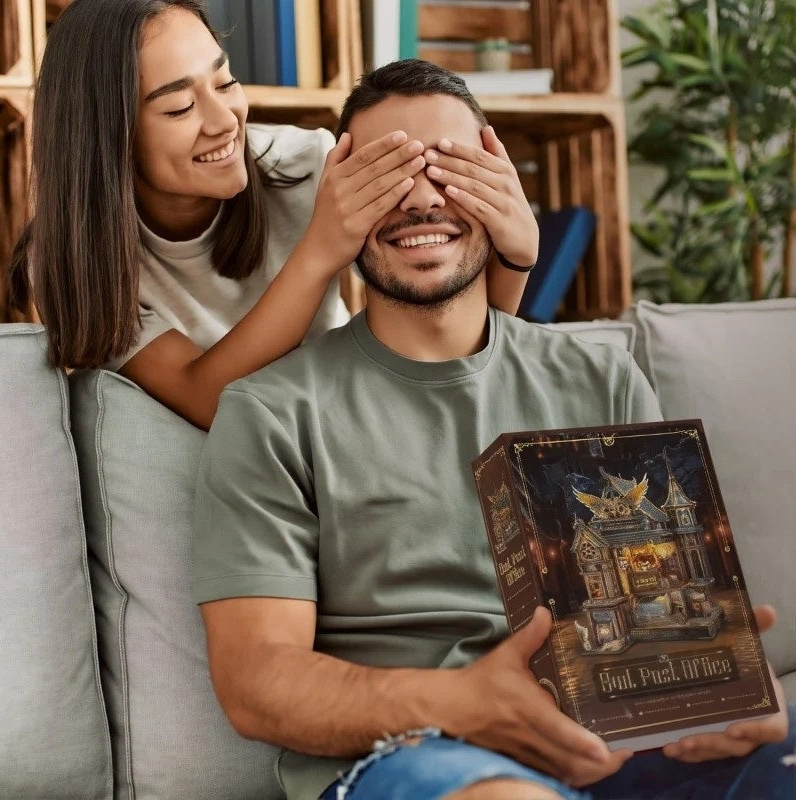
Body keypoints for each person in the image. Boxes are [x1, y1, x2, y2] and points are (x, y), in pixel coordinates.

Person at [193, 61, 794, 800]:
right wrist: (462, 702)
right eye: (386, 174)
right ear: (339, 201)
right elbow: (255, 684)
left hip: (612, 743)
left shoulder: (604, 379)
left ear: (498, 183)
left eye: (449, 168)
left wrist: (728, 686)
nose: (421, 198)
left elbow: (668, 608)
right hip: (416, 756)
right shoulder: (271, 411)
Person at [5, 0, 536, 429]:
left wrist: (517, 256)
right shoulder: (73, 258)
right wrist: (319, 252)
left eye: (225, 82)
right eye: (179, 107)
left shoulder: (308, 165)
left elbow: (448, 329)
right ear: (106, 136)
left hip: (349, 416)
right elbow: (208, 399)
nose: (224, 121)